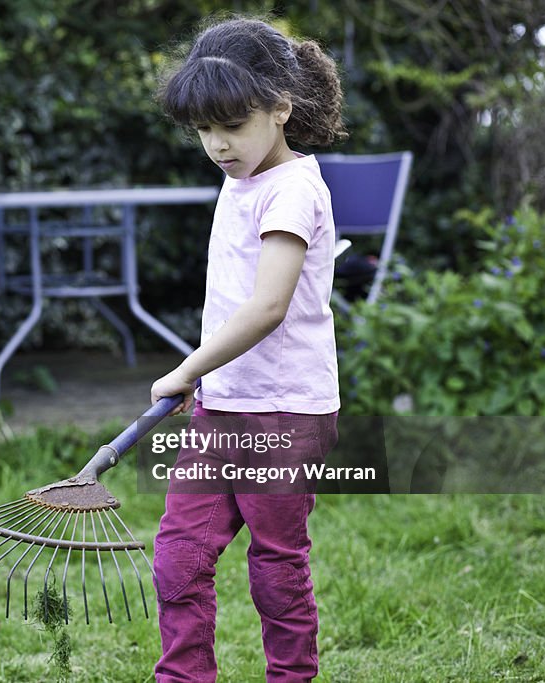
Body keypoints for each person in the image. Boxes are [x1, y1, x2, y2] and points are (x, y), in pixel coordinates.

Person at [148, 16, 347, 683]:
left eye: (231, 125)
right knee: (178, 552)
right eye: (204, 129)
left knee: (275, 561)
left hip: (284, 414)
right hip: (223, 405)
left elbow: (266, 306)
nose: (217, 145)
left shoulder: (293, 190)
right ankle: (182, 676)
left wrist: (186, 367)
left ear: (281, 108)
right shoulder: (242, 180)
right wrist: (202, 382)